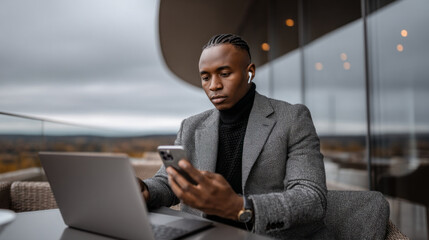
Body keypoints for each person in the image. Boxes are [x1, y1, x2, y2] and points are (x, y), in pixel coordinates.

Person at [139, 33, 327, 239]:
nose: (214, 86)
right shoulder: (191, 126)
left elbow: (312, 198)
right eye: (205, 77)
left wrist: (238, 207)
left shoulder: (292, 119)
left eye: (225, 73)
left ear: (250, 72)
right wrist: (145, 190)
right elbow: (169, 183)